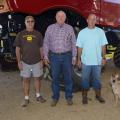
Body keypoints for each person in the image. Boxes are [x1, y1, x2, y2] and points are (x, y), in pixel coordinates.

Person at [43, 10, 77, 106]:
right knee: (55, 78)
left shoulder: (70, 28)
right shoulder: (50, 28)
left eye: (63, 16)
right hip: (54, 57)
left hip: (67, 56)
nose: (61, 18)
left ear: (65, 18)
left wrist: (74, 56)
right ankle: (55, 97)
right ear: (56, 17)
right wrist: (45, 56)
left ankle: (69, 97)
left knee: (68, 78)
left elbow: (74, 43)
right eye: (59, 16)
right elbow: (46, 43)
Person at [14, 16, 46, 107]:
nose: (30, 23)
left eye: (32, 21)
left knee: (37, 79)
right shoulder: (20, 34)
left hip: (37, 62)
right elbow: (17, 49)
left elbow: (41, 48)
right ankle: (26, 98)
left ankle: (38, 96)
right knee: (26, 80)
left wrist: (42, 60)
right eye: (28, 21)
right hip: (25, 62)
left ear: (34, 22)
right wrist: (19, 62)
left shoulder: (38, 34)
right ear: (25, 23)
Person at [76, 13, 108, 104]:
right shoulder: (82, 33)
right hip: (85, 62)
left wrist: (104, 58)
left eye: (94, 19)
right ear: (87, 20)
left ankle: (98, 95)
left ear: (95, 21)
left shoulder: (100, 32)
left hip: (97, 61)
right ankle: (84, 96)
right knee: (84, 80)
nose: (92, 21)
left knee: (97, 80)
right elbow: (79, 47)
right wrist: (79, 59)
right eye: (90, 19)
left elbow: (103, 46)